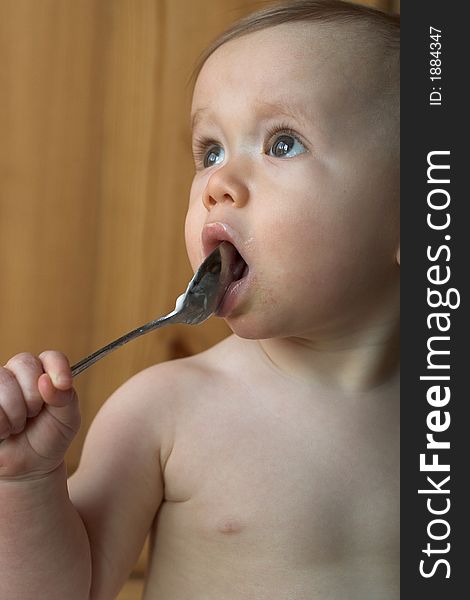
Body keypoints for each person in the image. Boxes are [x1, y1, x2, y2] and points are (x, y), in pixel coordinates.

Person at [0, 1, 400, 598]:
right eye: (209, 150)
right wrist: (26, 483)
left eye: (283, 143)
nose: (218, 184)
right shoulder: (164, 412)